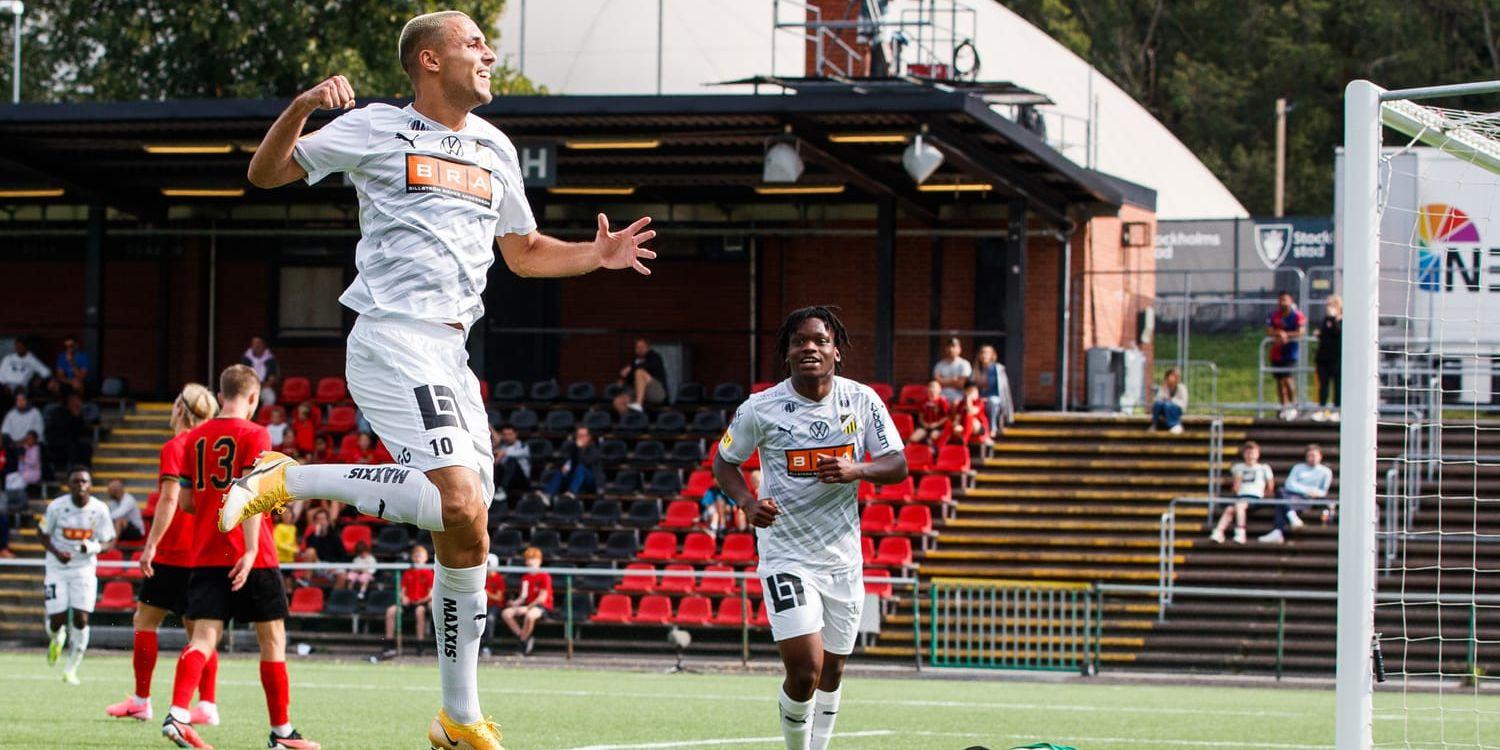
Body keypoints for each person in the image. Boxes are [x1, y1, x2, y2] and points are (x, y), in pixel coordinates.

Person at [233, 10, 655, 745]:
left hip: (454, 356)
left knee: (470, 531)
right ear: (428, 60)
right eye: (473, 43)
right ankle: (289, 480)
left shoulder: (495, 146)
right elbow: (265, 174)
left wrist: (597, 256)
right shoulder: (371, 129)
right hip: (393, 337)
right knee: (456, 499)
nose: (488, 53)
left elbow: (523, 252)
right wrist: (301, 108)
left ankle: (457, 717)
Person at [711, 305, 908, 750]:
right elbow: (724, 462)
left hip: (842, 558)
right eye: (800, 341)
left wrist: (856, 470)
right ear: (787, 354)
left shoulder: (861, 400)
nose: (810, 348)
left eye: (820, 340)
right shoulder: (760, 408)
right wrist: (745, 501)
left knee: (833, 671)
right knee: (805, 670)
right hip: (785, 555)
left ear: (836, 351)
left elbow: (897, 464)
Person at [162, 365, 318, 749]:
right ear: (252, 397)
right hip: (254, 554)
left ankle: (179, 715)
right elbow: (249, 493)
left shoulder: (193, 437)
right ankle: (282, 733)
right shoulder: (256, 433)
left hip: (204, 553)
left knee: (202, 639)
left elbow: (186, 502)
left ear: (221, 392)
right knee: (273, 640)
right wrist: (249, 549)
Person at [105, 383, 220, 724]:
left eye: (174, 403)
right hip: (203, 550)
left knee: (144, 621)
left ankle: (142, 700)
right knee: (198, 632)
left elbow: (171, 499)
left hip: (173, 552)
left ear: (181, 410)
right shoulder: (210, 446)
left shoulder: (176, 445)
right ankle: (207, 704)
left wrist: (151, 545)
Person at [39, 466, 115, 685]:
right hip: (57, 569)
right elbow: (42, 533)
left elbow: (109, 540)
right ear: (69, 485)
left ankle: (71, 669)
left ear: (90, 485)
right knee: (57, 620)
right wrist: (56, 552)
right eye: (76, 482)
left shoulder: (99, 510)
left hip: (84, 570)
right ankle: (57, 637)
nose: (80, 485)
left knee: (81, 618)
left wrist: (92, 548)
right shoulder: (56, 507)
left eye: (84, 482)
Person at [1260, 444, 1333, 544]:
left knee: (1281, 503)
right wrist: (1306, 490)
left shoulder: (1326, 472)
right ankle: (1292, 517)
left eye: (1314, 455)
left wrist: (1313, 493)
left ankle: (1279, 530)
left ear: (1320, 456)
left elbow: (1324, 491)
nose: (1312, 458)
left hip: (1310, 499)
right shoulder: (1298, 468)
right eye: (1309, 456)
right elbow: (1289, 484)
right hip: (1294, 496)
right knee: (1281, 492)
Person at [1211, 441, 1275, 545]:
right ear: (1244, 454)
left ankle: (1241, 531)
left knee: (1239, 506)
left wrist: (1265, 495)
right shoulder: (1238, 467)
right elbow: (1236, 486)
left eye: (1252, 453)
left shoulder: (1263, 468)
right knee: (1229, 509)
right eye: (1247, 453)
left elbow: (1270, 485)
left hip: (1256, 497)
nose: (1250, 456)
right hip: (1241, 496)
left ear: (1257, 454)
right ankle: (1219, 532)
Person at [383, 544, 436, 657]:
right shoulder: (408, 572)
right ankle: (389, 643)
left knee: (419, 612)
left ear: (426, 558)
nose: (418, 558)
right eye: (416, 556)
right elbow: (402, 590)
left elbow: (431, 593)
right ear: (412, 557)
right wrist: (404, 597)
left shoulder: (429, 573)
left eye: (420, 556)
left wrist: (421, 601)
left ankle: (420, 645)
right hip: (408, 602)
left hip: (421, 603)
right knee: (391, 611)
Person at [499, 546, 552, 656]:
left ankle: (522, 644)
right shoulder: (525, 577)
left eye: (533, 559)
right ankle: (524, 637)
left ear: (539, 561)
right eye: (528, 559)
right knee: (506, 613)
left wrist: (527, 608)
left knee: (530, 615)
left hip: (541, 607)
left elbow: (542, 598)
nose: (530, 562)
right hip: (528, 605)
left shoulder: (544, 576)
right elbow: (523, 597)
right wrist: (514, 604)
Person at [1267, 291, 1308, 420]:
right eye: (1280, 300)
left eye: (1285, 300)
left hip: (1290, 352)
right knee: (1279, 381)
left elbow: (1301, 331)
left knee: (1288, 379)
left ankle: (1293, 405)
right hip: (1277, 353)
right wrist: (1279, 333)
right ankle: (1283, 406)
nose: (1282, 303)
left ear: (1291, 301)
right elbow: (1269, 331)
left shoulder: (1296, 315)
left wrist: (1286, 335)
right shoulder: (1274, 315)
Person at [543, 425, 602, 499]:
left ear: (589, 437)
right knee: (561, 471)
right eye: (579, 435)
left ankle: (571, 493)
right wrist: (563, 467)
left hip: (589, 481)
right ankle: (547, 495)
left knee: (581, 468)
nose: (581, 438)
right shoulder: (570, 447)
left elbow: (583, 462)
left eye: (584, 435)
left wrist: (578, 448)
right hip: (574, 479)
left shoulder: (594, 451)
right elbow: (562, 460)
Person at [971, 345, 1012, 438]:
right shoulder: (976, 369)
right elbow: (972, 386)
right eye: (982, 352)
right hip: (979, 398)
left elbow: (1002, 388)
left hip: (994, 397)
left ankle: (993, 428)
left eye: (987, 353)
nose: (984, 355)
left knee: (992, 402)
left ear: (992, 355)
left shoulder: (997, 369)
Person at [1313, 295, 1343, 422]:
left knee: (1337, 385)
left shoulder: (1341, 320)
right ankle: (1322, 409)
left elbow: (1337, 333)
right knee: (1323, 385)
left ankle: (1337, 410)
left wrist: (1333, 318)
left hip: (1336, 358)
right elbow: (1325, 333)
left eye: (1331, 305)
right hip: (1323, 357)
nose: (1328, 308)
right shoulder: (1326, 320)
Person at [618, 337, 668, 410]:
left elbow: (645, 367)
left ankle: (638, 404)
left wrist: (631, 368)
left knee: (639, 373)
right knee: (618, 401)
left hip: (656, 392)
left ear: (648, 348)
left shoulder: (655, 357)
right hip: (639, 393)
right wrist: (623, 376)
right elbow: (629, 378)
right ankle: (631, 419)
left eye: (642, 347)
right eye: (637, 347)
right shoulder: (634, 362)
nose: (640, 349)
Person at [906, 380, 951, 449]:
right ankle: (908, 452)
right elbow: (921, 416)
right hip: (925, 426)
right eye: (930, 387)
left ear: (939, 390)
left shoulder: (942, 402)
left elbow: (946, 417)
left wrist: (936, 424)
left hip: (938, 427)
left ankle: (934, 452)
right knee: (913, 438)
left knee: (933, 436)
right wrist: (924, 424)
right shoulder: (924, 401)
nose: (932, 389)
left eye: (935, 388)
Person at [491, 425, 530, 498]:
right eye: (504, 435)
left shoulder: (523, 446)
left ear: (516, 434)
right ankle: (494, 489)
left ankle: (502, 489)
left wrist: (501, 453)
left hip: (521, 480)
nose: (507, 437)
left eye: (510, 434)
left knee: (512, 461)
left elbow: (505, 453)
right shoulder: (502, 446)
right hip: (506, 477)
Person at [242, 336, 281, 407]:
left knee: (270, 398)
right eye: (254, 344)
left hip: (265, 386)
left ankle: (263, 416)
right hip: (250, 387)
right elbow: (244, 376)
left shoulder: (270, 359)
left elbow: (272, 378)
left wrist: (263, 386)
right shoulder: (247, 358)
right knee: (242, 398)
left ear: (264, 345)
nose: (257, 346)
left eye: (259, 343)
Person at [1149, 368, 1189, 434]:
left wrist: (1171, 400)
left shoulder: (1182, 388)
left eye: (1173, 376)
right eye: (1169, 376)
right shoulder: (1164, 387)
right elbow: (1157, 400)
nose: (1171, 379)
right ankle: (1155, 425)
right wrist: (1163, 397)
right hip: (1165, 408)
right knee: (1158, 404)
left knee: (1168, 405)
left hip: (1176, 409)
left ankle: (1175, 425)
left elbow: (1184, 404)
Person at [932, 337, 972, 403]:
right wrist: (953, 380)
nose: (951, 349)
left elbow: (960, 384)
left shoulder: (964, 364)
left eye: (953, 347)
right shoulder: (940, 364)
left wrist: (943, 381)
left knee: (956, 403)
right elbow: (937, 382)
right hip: (941, 394)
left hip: (959, 395)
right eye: (949, 347)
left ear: (959, 349)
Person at [953, 382, 993, 447]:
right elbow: (957, 418)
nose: (972, 393)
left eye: (974, 391)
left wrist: (969, 399)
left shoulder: (979, 402)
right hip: (966, 428)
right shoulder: (961, 403)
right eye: (970, 391)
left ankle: (964, 439)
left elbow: (971, 411)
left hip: (979, 428)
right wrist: (956, 426)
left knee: (970, 417)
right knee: (957, 429)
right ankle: (964, 440)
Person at [481, 554, 507, 652]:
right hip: (482, 605)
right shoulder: (481, 577)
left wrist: (487, 593)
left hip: (494, 606)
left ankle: (488, 645)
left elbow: (498, 598)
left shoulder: (498, 578)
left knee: (490, 619)